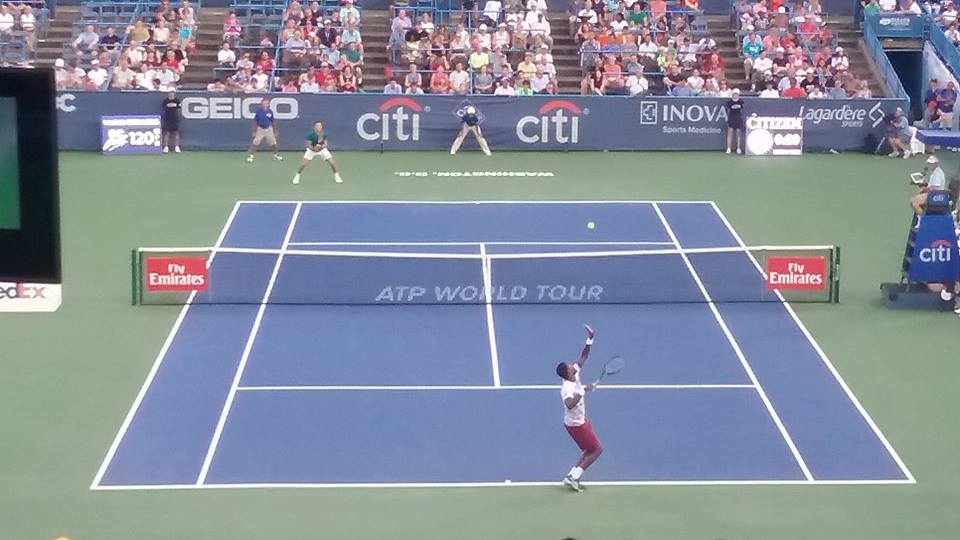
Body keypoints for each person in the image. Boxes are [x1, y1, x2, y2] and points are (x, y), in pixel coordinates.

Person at [557, 324, 601, 492]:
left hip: (580, 421)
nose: (572, 365)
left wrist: (590, 338)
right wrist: (583, 389)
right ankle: (575, 477)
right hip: (576, 425)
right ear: (567, 374)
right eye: (570, 367)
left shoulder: (574, 373)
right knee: (596, 450)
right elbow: (569, 404)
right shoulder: (566, 388)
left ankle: (571, 476)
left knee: (588, 449)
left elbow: (583, 356)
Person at [293, 120, 343, 185]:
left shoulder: (324, 134)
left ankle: (337, 175)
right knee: (303, 164)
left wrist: (321, 147)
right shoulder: (310, 135)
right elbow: (308, 145)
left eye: (320, 125)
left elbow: (326, 144)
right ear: (314, 127)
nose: (319, 127)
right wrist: (314, 149)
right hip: (311, 150)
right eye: (317, 125)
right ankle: (297, 176)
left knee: (332, 163)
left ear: (322, 127)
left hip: (322, 150)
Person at [910, 155, 947, 226]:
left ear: (936, 163)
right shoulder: (934, 171)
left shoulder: (937, 173)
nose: (930, 165)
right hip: (932, 194)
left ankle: (924, 221)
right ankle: (920, 218)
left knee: (915, 204)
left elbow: (935, 188)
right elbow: (931, 185)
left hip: (936, 196)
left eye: (932, 163)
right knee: (912, 201)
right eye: (929, 163)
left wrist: (924, 188)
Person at [247, 97, 283, 163]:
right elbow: (255, 121)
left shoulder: (270, 111)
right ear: (262, 103)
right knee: (255, 143)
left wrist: (275, 130)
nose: (265, 104)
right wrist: (254, 131)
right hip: (260, 129)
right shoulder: (258, 111)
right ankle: (251, 156)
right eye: (264, 103)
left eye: (267, 103)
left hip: (269, 129)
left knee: (274, 143)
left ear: (268, 104)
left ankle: (276, 155)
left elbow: (273, 121)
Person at [726, 88, 744, 154]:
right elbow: (728, 109)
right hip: (731, 118)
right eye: (734, 94)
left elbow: (741, 107)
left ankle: (738, 148)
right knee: (729, 134)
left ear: (738, 95)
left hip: (738, 118)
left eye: (736, 94)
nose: (735, 95)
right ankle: (728, 148)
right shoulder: (729, 102)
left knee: (738, 134)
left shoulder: (741, 101)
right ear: (732, 94)